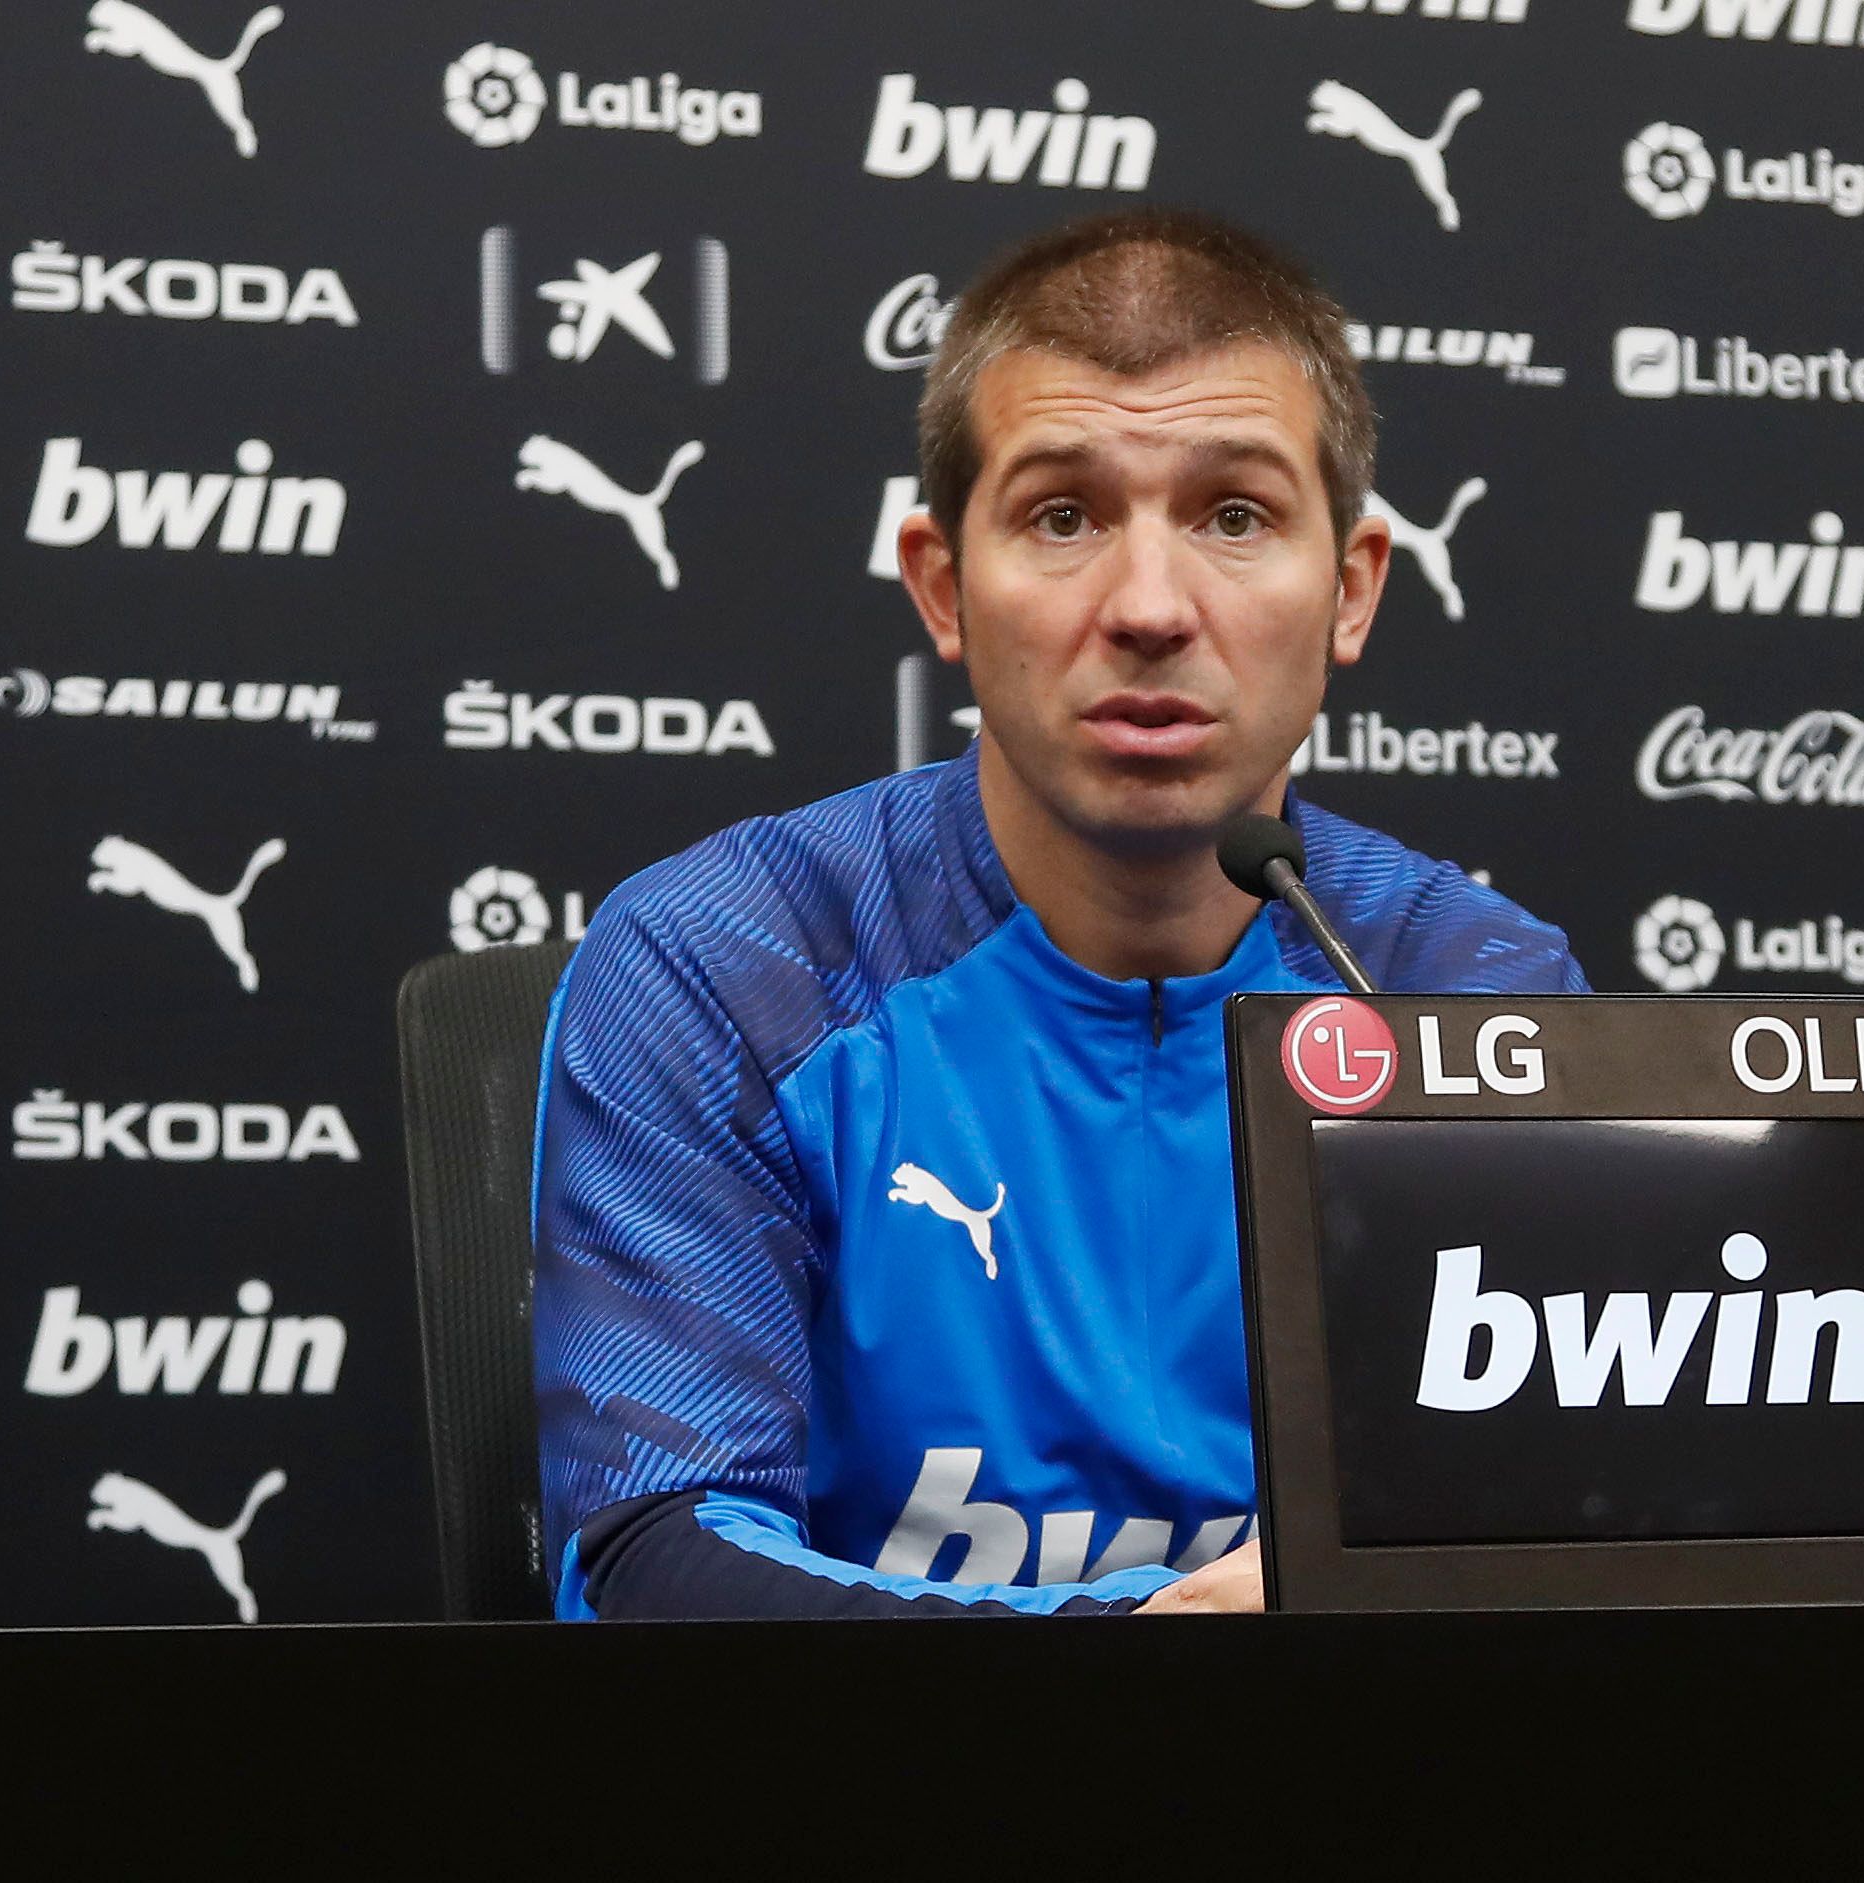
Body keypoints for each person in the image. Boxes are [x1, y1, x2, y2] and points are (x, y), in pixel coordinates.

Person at [532, 208, 1587, 1619]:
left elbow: (1562, 1535)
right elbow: (658, 1556)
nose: (1149, 604)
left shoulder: (1468, 988)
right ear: (941, 586)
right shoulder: (719, 966)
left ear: (1350, 590)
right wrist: (1141, 1657)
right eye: (1062, 515)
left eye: (1234, 515)